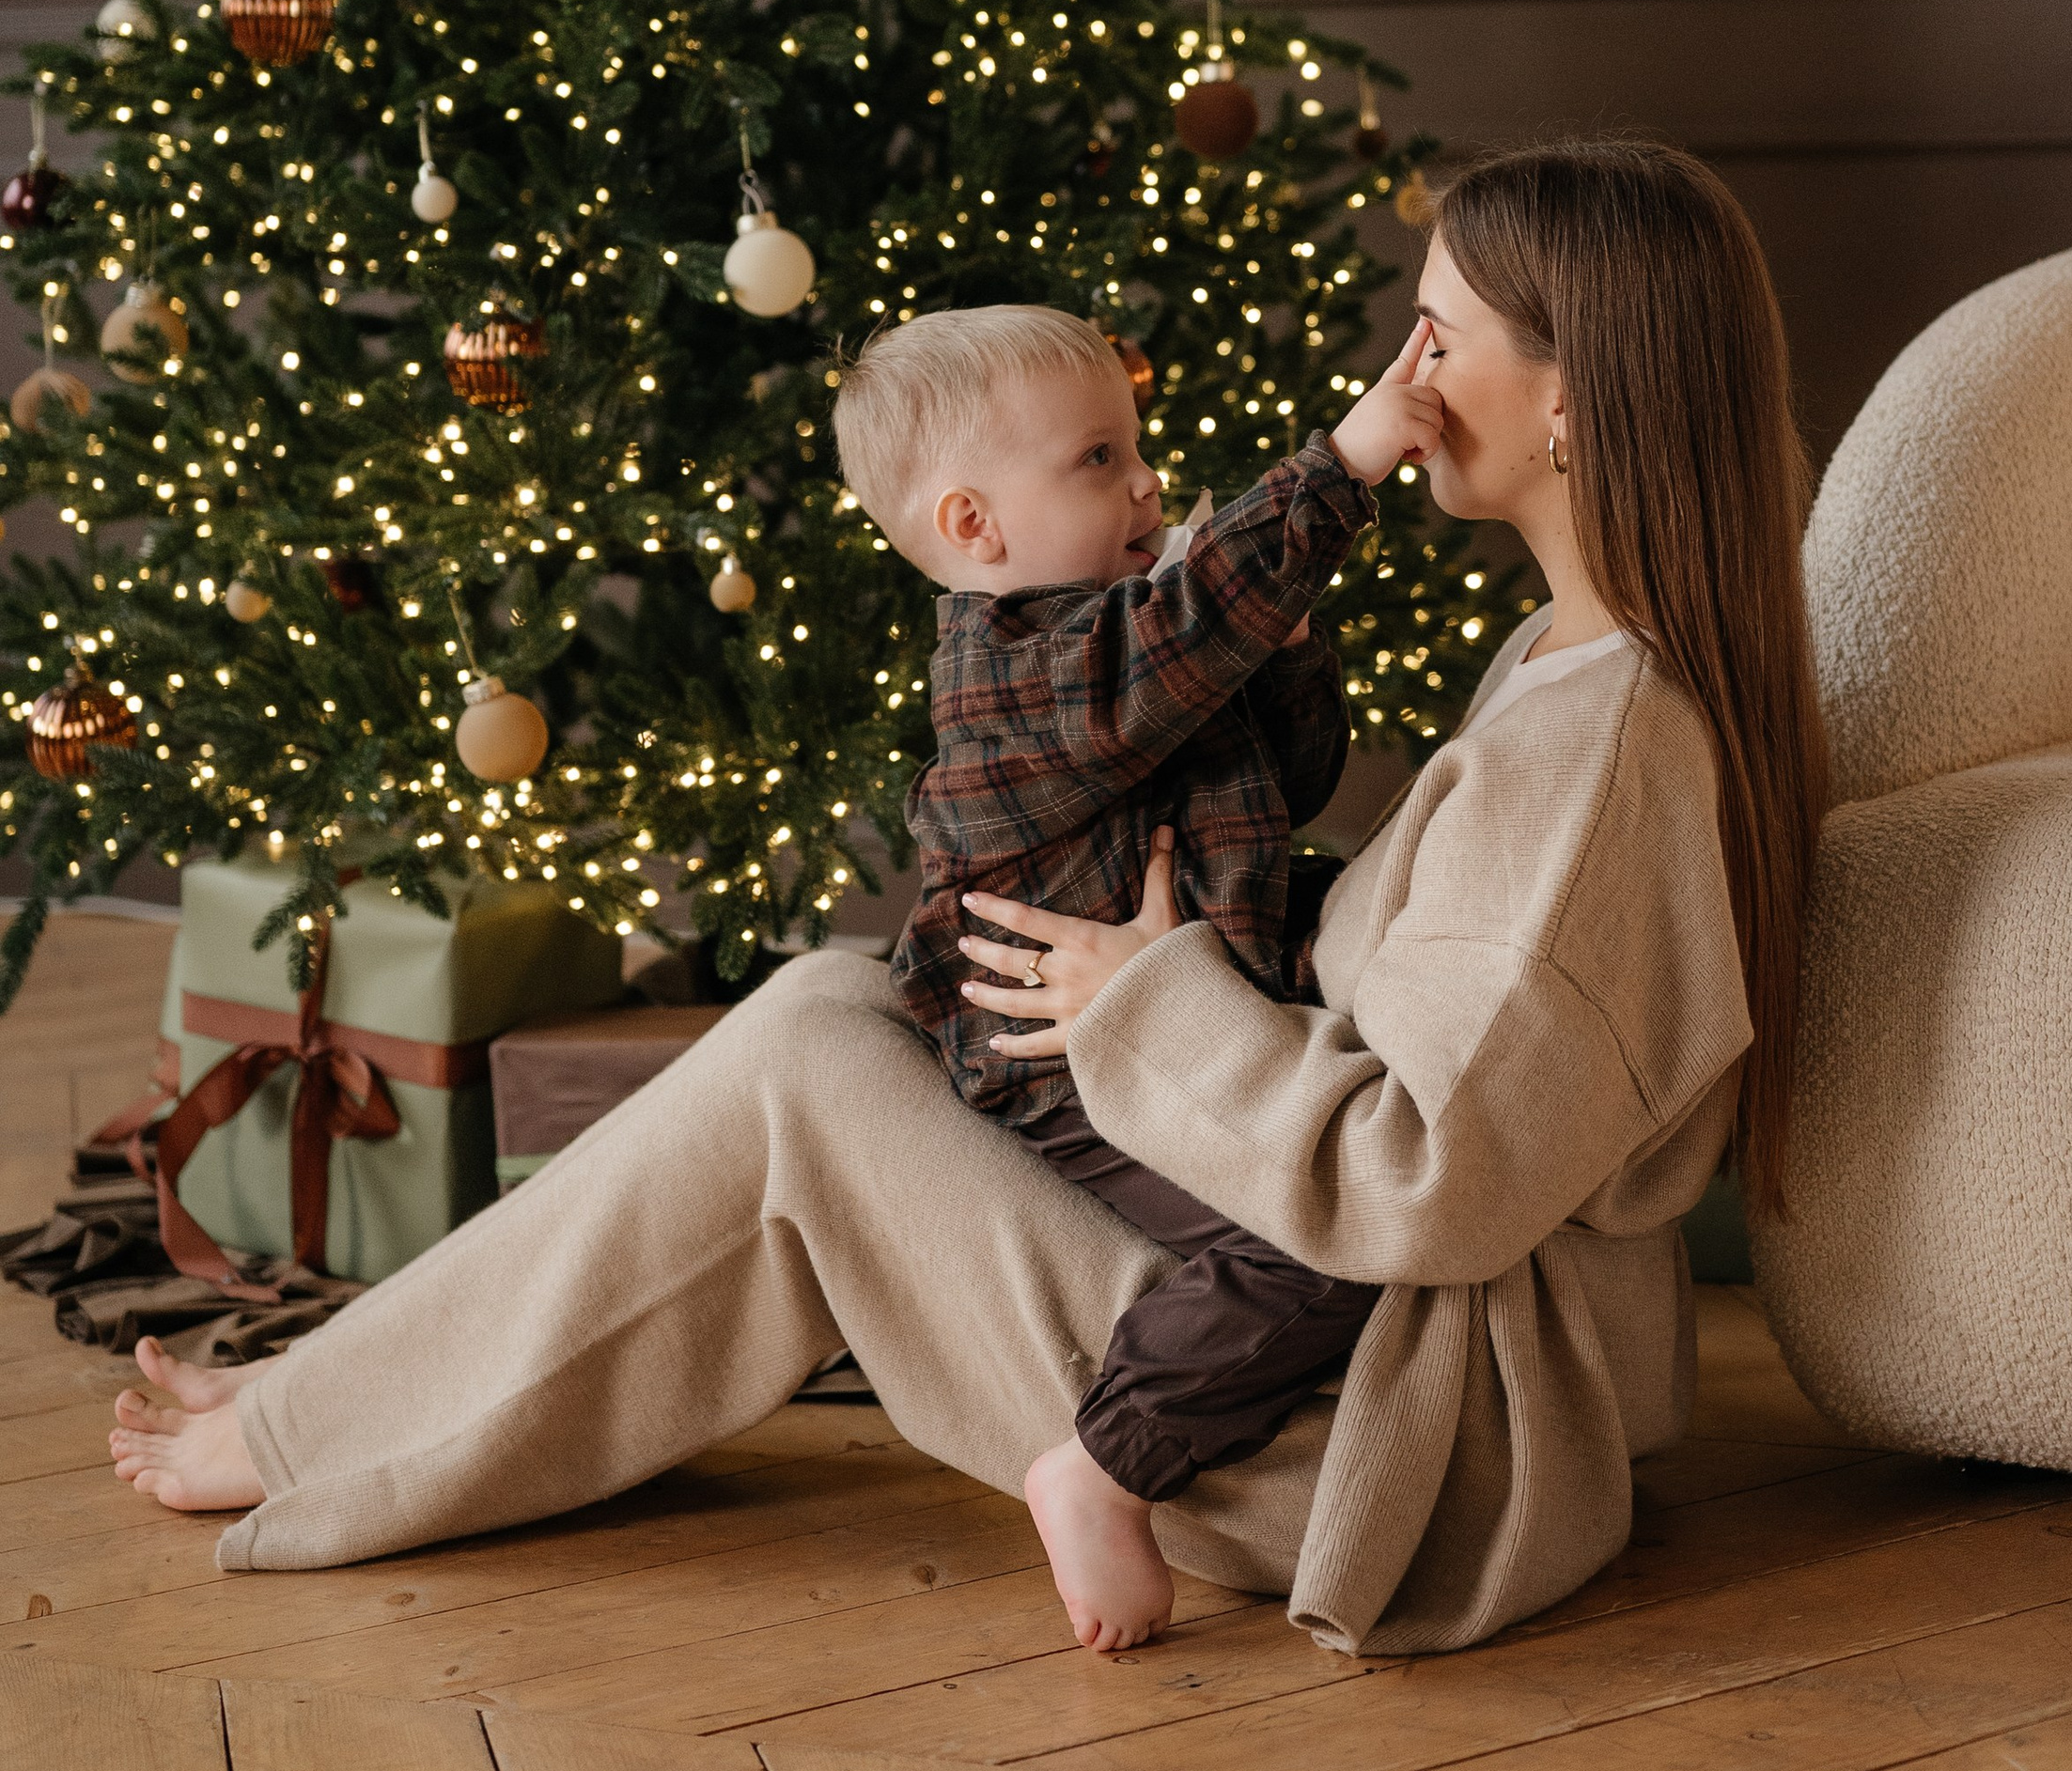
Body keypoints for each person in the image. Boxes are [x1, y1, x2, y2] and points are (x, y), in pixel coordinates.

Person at [108, 139, 1827, 1669]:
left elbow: (1424, 1188)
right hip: (1346, 1350)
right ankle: (340, 1393)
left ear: (1578, 401)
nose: (1408, 371)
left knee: (805, 1075)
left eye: (1442, 336)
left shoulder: (1593, 764)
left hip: (1388, 1444)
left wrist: (1149, 998)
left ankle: (323, 1420)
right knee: (826, 1012)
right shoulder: (1562, 662)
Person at [839, 301, 1442, 1648]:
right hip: (1059, 1064)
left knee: (1365, 1195)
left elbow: (1282, 784)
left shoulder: (1135, 641)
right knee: (1316, 1246)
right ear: (973, 529)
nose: (1147, 483)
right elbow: (1157, 664)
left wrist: (1283, 659)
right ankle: (1106, 1467)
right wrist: (1340, 468)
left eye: (1135, 447)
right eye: (1095, 460)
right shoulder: (1013, 673)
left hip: (1188, 1016)